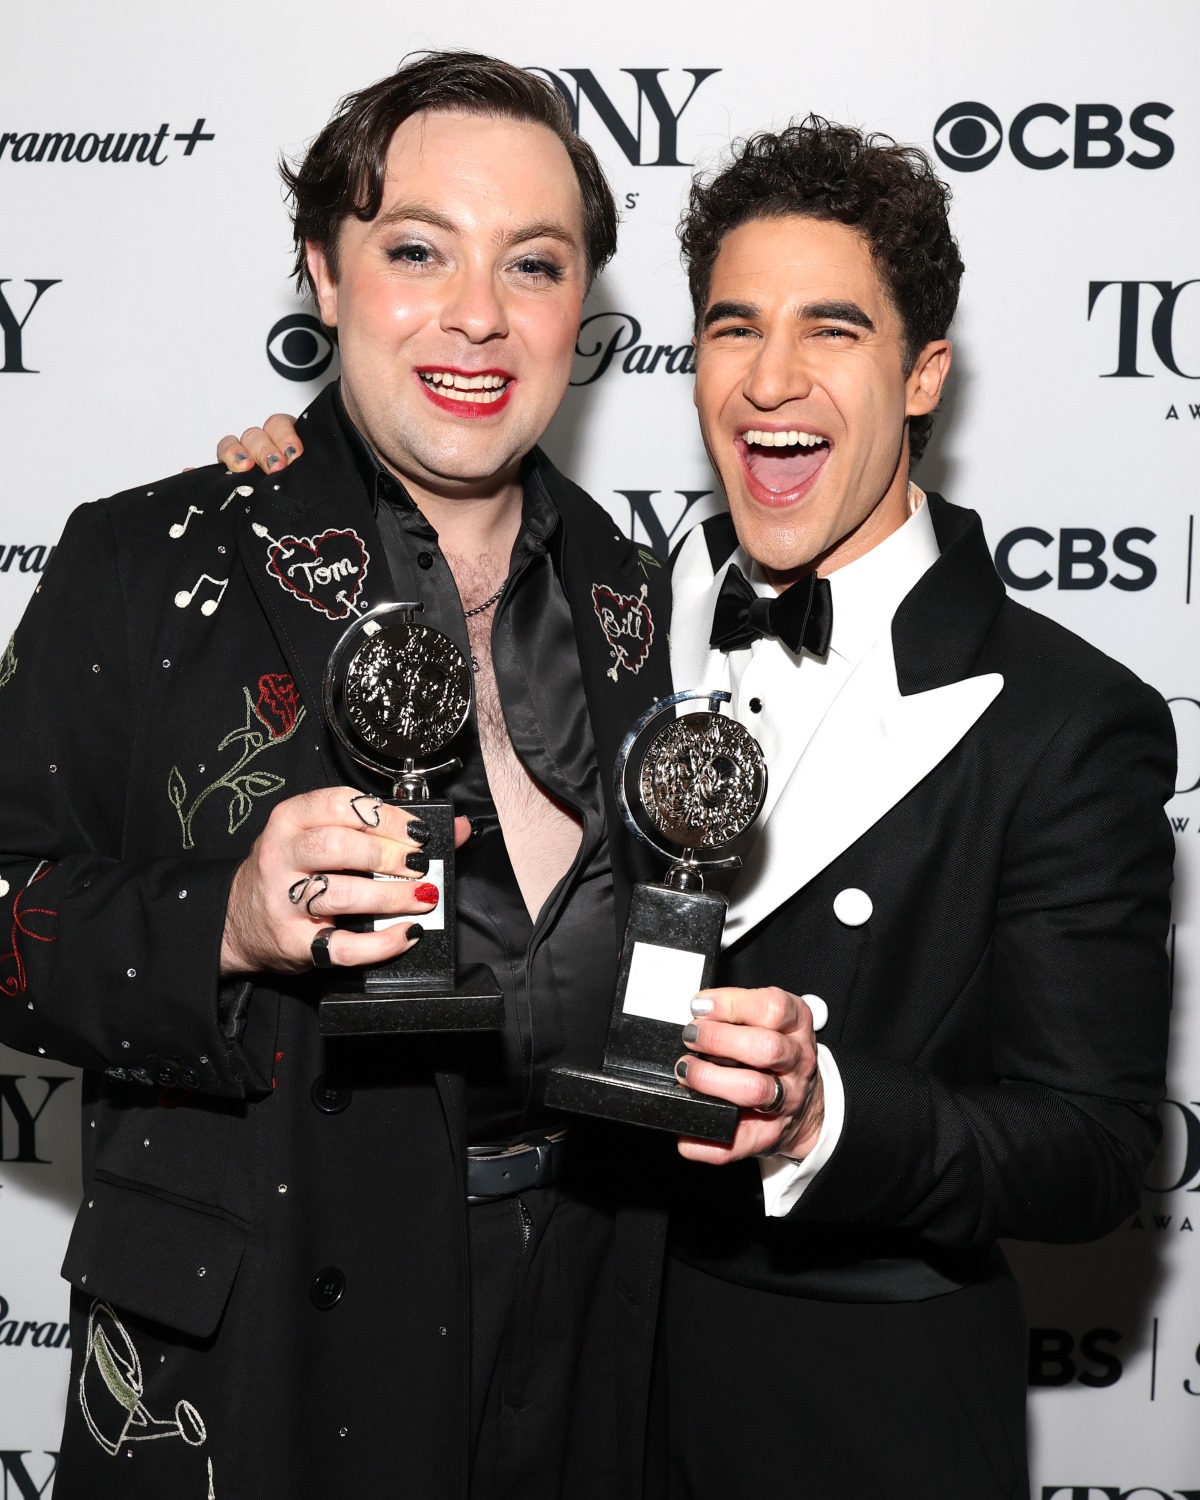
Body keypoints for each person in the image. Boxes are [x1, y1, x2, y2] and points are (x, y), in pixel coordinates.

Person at [216, 119, 1176, 1498]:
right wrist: (294, 466)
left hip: (859, 1409)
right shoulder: (610, 608)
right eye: (734, 329)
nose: (770, 378)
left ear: (923, 375)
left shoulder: (1067, 719)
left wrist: (822, 1114)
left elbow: (1091, 1153)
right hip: (588, 1363)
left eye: (833, 331)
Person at [0, 53, 674, 1500]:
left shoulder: (642, 596)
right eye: (417, 250)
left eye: (534, 265)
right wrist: (226, 925)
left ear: (582, 312)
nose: (479, 315)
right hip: (265, 1366)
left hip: (584, 1339)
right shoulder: (147, 561)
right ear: (323, 273)